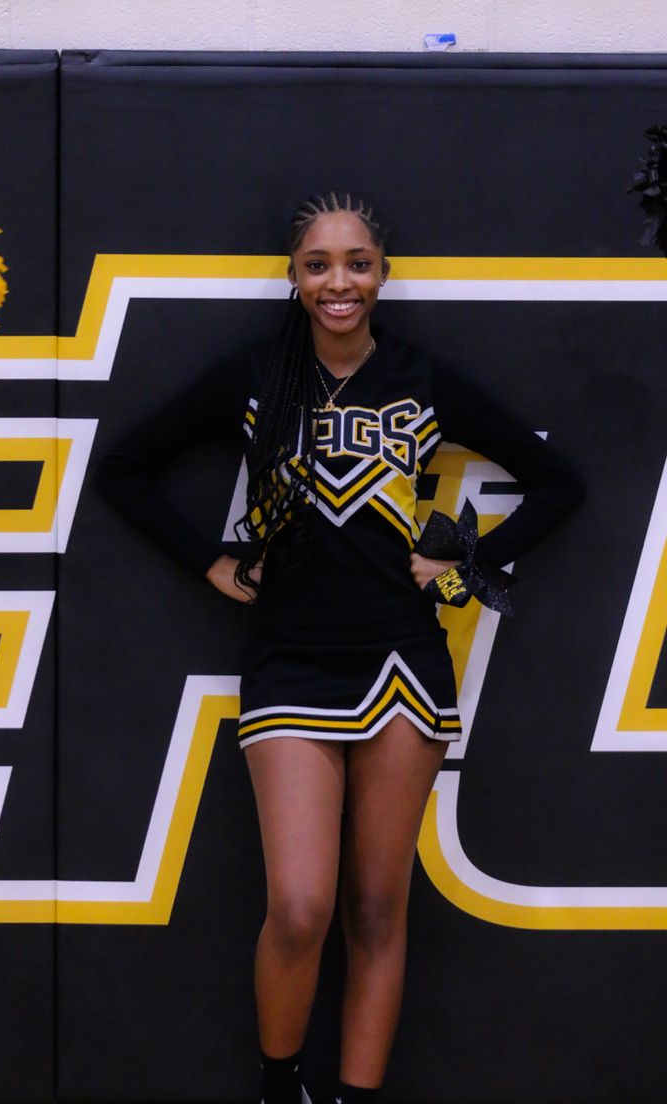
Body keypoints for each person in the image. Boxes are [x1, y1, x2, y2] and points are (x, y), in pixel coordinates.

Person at [94, 191, 586, 1104]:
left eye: (357, 262)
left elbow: (560, 483)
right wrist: (208, 560)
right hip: (287, 662)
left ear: (382, 275)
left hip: (404, 661)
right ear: (293, 278)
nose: (339, 281)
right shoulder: (254, 376)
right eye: (319, 264)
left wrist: (458, 563)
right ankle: (284, 1090)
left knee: (373, 909)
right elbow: (123, 466)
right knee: (301, 907)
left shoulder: (422, 379)